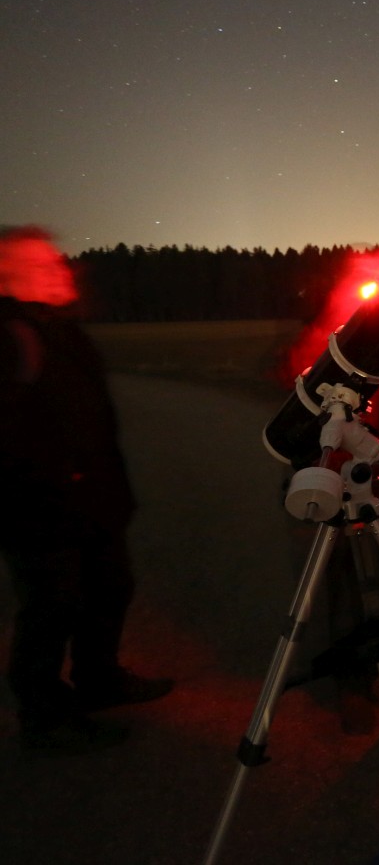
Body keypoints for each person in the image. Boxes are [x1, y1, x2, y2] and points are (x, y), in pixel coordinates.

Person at [0, 226, 173, 754]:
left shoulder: (58, 327)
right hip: (42, 509)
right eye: (41, 265)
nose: (60, 269)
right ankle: (44, 717)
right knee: (53, 608)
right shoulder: (10, 334)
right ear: (8, 276)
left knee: (110, 589)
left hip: (94, 500)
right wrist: (52, 482)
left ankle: (99, 679)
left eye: (57, 261)